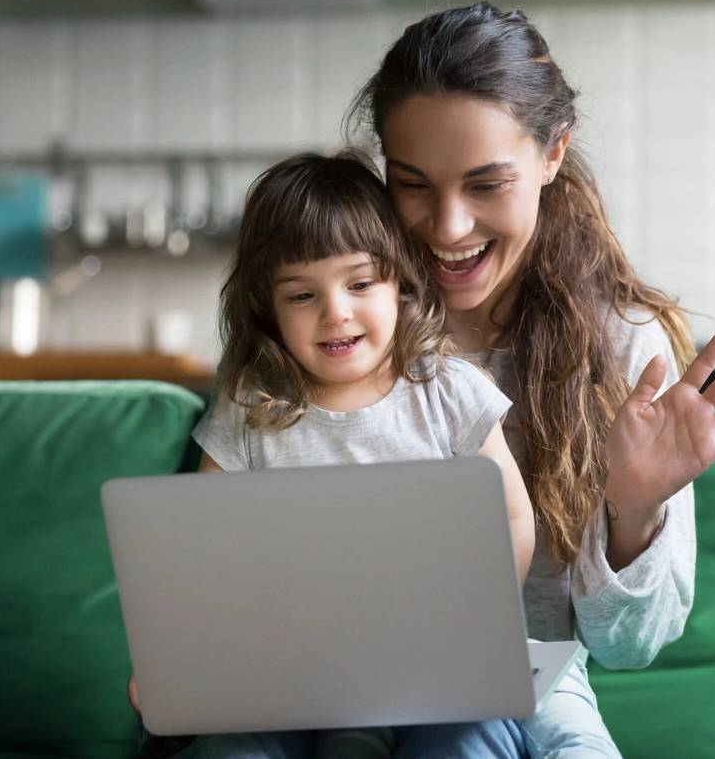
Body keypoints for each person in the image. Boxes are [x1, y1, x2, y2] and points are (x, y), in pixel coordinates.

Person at [336, 0, 715, 758]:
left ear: (552, 154)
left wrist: (633, 510)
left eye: (486, 185)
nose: (447, 228)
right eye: (413, 184)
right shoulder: (342, 334)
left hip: (520, 703)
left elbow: (628, 648)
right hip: (346, 693)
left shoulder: (621, 348)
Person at [134, 151, 538, 759]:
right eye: (301, 295)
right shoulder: (251, 407)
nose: (336, 312)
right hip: (285, 677)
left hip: (429, 673)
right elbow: (202, 552)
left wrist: (478, 622)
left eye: (360, 282)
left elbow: (509, 516)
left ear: (399, 280)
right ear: (267, 308)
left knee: (468, 743)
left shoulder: (447, 390)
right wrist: (179, 659)